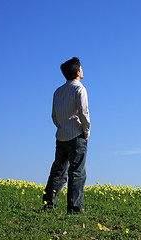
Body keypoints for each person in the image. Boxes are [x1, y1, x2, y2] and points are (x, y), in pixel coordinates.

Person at [43, 57, 90, 214]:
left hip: (61, 136)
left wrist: (61, 127)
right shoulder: (80, 89)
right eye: (81, 68)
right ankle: (75, 208)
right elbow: (84, 113)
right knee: (77, 172)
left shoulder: (58, 91)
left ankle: (49, 205)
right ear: (78, 72)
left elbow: (54, 116)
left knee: (58, 171)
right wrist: (86, 131)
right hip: (76, 135)